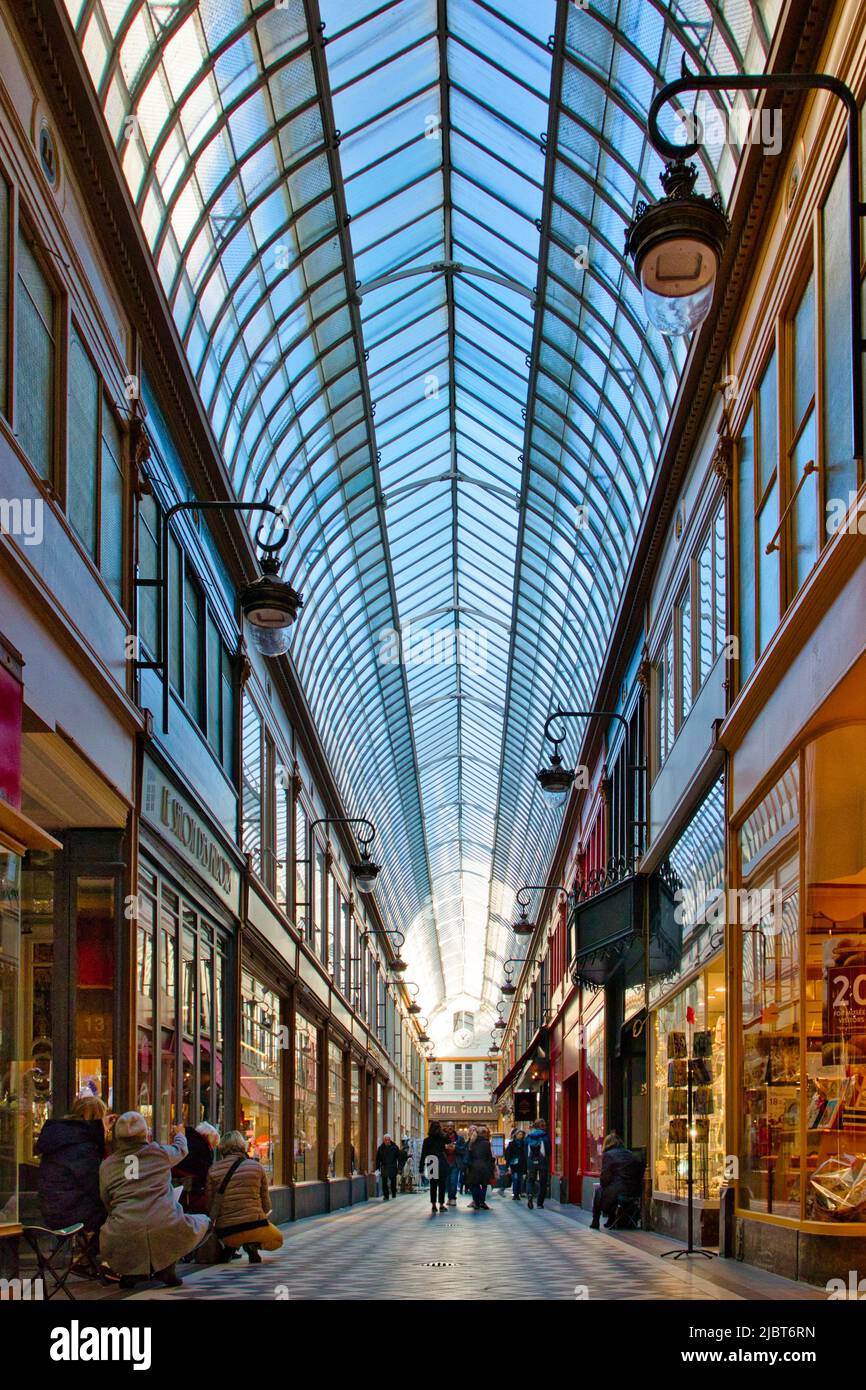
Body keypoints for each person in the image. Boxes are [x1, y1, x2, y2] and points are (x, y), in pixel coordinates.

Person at [99, 1112, 210, 1288]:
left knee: (133, 1230)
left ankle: (132, 1272)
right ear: (146, 1134)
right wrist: (180, 1133)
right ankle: (167, 1269)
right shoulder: (159, 1153)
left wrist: (116, 1214)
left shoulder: (108, 1165)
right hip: (165, 1222)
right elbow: (182, 1149)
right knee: (201, 1222)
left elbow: (106, 1198)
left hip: (123, 1227)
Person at [35, 1095, 113, 1274]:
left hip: (52, 1205)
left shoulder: (64, 1136)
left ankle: (86, 1258)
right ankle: (101, 1262)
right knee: (119, 1213)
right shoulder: (82, 1145)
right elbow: (93, 1185)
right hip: (66, 1210)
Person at [206, 1131, 283, 1262]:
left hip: (226, 1231)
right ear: (243, 1146)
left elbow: (209, 1204)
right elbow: (266, 1205)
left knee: (234, 1234)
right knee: (277, 1239)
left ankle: (231, 1245)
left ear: (222, 1148)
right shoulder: (257, 1167)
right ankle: (253, 1244)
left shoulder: (214, 1169)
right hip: (255, 1226)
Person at [590, 1133, 644, 1229]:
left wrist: (604, 1184)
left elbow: (604, 1178)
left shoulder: (608, 1155)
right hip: (635, 1191)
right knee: (610, 1190)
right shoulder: (631, 1154)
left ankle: (595, 1220)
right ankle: (611, 1219)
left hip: (618, 1191)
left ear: (606, 1144)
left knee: (599, 1191)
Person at [172, 1121, 219, 1214]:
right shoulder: (203, 1148)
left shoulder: (187, 1139)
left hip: (177, 1189)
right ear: (208, 1136)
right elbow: (204, 1174)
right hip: (192, 1194)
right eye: (213, 1144)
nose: (212, 1147)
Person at [420, 1120, 448, 1213]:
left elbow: (423, 1154)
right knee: (442, 1185)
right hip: (441, 1162)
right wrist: (443, 1132)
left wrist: (421, 1167)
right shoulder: (442, 1138)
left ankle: (433, 1205)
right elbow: (449, 1140)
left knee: (433, 1184)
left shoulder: (427, 1140)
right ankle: (441, 1204)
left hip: (431, 1162)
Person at [524, 1117, 551, 1209]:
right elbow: (548, 1151)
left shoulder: (528, 1137)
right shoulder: (545, 1137)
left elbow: (525, 1151)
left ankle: (530, 1195)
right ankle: (540, 1203)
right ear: (543, 1126)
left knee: (530, 1180)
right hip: (543, 1162)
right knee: (543, 1182)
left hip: (531, 1161)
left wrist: (528, 1162)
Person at [466, 1126, 495, 1210]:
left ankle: (476, 1202)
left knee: (475, 1185)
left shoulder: (471, 1142)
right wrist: (491, 1166)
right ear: (484, 1133)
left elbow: (468, 1155)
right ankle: (482, 1201)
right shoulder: (486, 1143)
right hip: (484, 1166)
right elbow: (489, 1156)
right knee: (484, 1184)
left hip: (473, 1166)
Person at [376, 1134, 401, 1201]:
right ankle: (386, 1196)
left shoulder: (395, 1147)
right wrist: (377, 1168)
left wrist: (399, 1168)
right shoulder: (380, 1148)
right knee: (384, 1182)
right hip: (384, 1167)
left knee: (393, 1181)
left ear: (390, 1140)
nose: (387, 1141)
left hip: (393, 1167)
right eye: (386, 1140)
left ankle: (393, 1193)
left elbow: (399, 1157)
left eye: (388, 1140)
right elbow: (378, 1159)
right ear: (384, 1140)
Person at [504, 1128, 527, 1201]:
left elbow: (526, 1154)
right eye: (519, 1134)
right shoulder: (512, 1144)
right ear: (516, 1135)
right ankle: (515, 1194)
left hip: (522, 1164)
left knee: (520, 1179)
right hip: (514, 1164)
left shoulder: (524, 1144)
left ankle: (518, 1193)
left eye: (522, 1134)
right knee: (515, 1179)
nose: (520, 1136)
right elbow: (507, 1154)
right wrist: (508, 1163)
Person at [444, 1125, 460, 1206]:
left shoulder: (459, 1138)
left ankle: (453, 1198)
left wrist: (455, 1147)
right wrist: (445, 1147)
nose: (449, 1127)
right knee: (448, 1182)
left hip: (455, 1163)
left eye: (451, 1126)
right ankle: (449, 1198)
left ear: (454, 1128)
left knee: (453, 1181)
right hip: (446, 1163)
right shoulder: (443, 1138)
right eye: (448, 1126)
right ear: (446, 1128)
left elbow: (463, 1149)